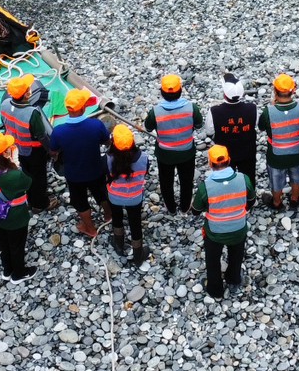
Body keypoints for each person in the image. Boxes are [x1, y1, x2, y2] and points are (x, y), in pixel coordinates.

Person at [191, 145, 252, 300]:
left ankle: (215, 288)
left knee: (212, 260)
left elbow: (196, 210)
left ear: (210, 164)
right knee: (236, 255)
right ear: (229, 160)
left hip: (215, 232)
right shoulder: (243, 179)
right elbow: (251, 200)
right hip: (238, 228)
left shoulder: (206, 187)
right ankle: (233, 279)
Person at [49, 88, 110, 239]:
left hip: (74, 174)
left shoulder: (59, 131)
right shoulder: (96, 125)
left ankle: (90, 228)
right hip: (95, 169)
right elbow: (107, 141)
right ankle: (109, 217)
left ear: (67, 108)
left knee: (80, 201)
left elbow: (53, 151)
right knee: (102, 193)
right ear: (83, 107)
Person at [143, 74, 204, 215]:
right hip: (187, 151)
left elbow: (148, 128)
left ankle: (171, 207)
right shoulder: (192, 108)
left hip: (165, 153)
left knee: (166, 181)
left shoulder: (156, 111)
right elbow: (199, 125)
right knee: (186, 180)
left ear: (162, 93)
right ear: (180, 91)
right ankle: (184, 206)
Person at [0, 133, 35, 282]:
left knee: (3, 243)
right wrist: (16, 164)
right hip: (15, 216)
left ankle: (7, 270)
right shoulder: (14, 175)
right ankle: (19, 273)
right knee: (16, 245)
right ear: (5, 153)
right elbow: (28, 183)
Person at [0, 74, 53, 210]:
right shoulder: (32, 113)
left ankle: (29, 196)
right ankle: (40, 203)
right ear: (27, 94)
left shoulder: (4, 105)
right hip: (33, 151)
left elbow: (4, 123)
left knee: (26, 173)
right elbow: (41, 136)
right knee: (39, 177)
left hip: (17, 148)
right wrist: (51, 151)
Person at [258, 73, 299, 211]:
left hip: (276, 155)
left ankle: (277, 203)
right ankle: (294, 199)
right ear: (293, 90)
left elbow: (261, 127)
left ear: (275, 91)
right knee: (297, 176)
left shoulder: (268, 112)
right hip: (297, 151)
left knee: (276, 180)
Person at [106, 125, 152, 264]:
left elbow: (106, 175)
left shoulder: (108, 159)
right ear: (133, 141)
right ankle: (138, 254)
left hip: (114, 196)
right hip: (135, 197)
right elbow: (145, 173)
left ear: (113, 142)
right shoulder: (143, 158)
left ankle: (119, 244)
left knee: (117, 217)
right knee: (135, 223)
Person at [209, 73, 259, 192]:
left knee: (224, 178)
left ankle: (227, 197)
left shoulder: (214, 111)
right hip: (247, 150)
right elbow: (255, 125)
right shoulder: (252, 108)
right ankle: (249, 198)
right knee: (248, 175)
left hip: (224, 153)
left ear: (225, 94)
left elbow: (209, 130)